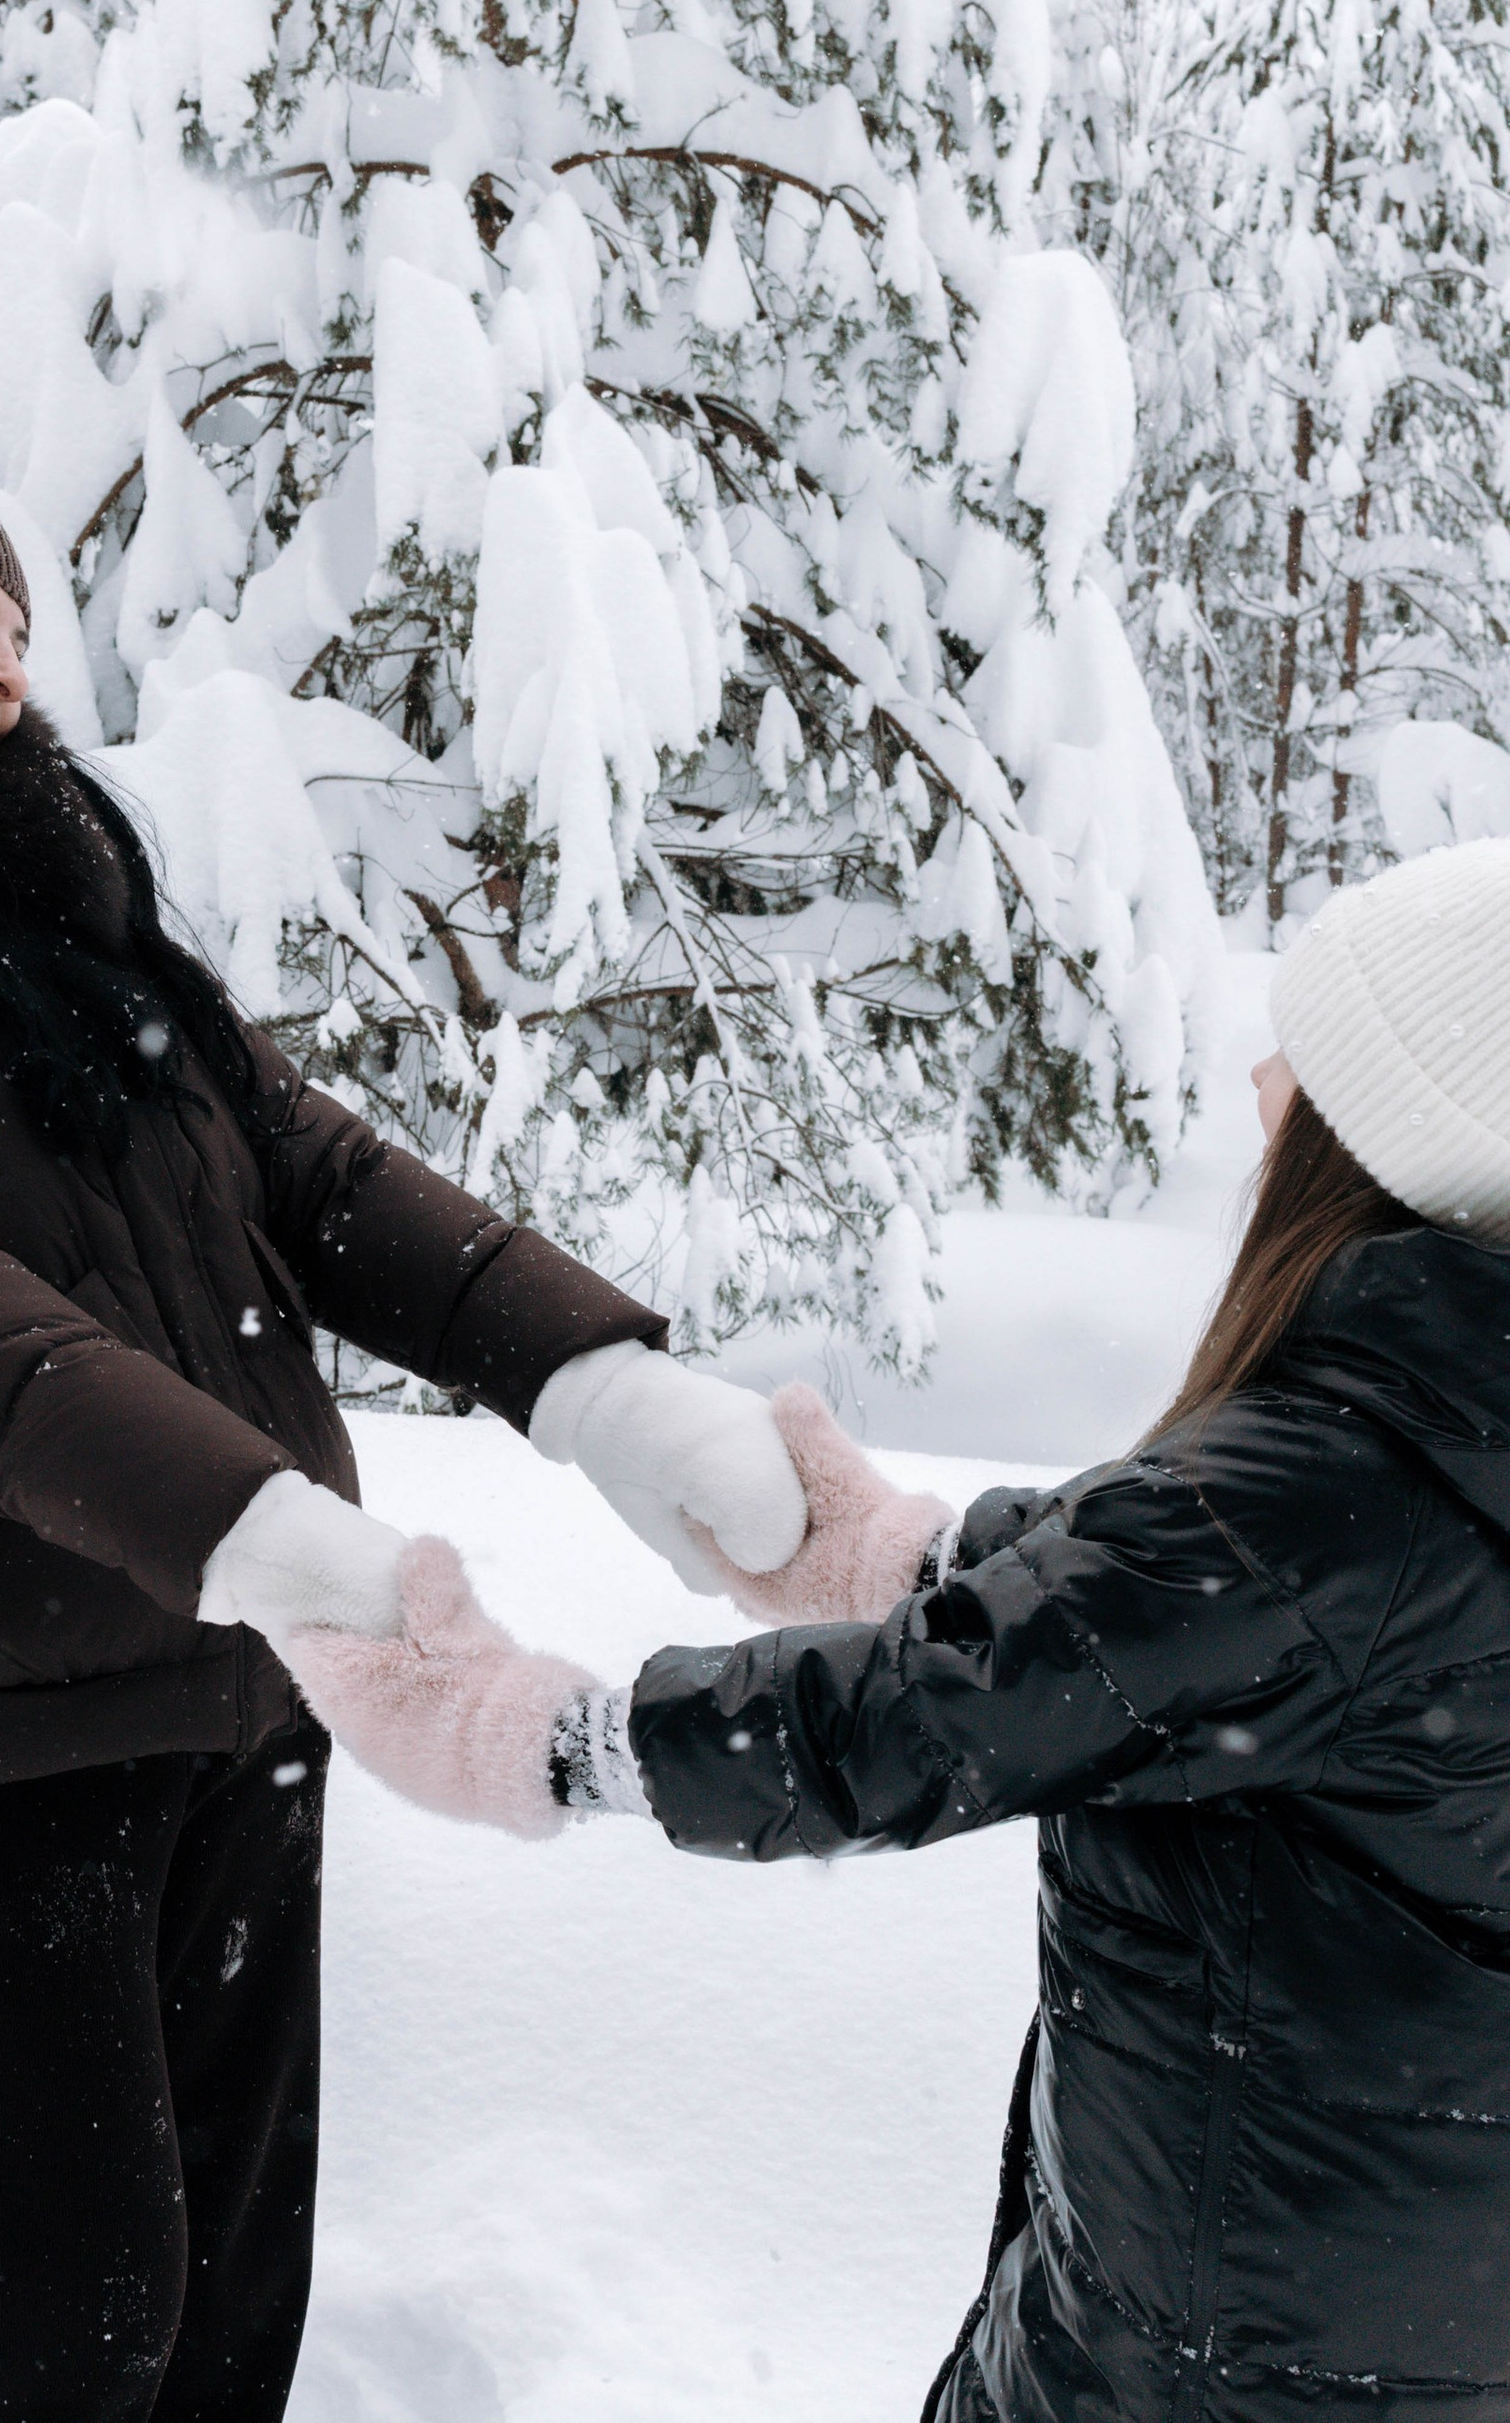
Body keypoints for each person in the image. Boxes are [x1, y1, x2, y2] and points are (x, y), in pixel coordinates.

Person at [0, 420, 823, 2422]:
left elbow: (320, 1181)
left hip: (225, 1689)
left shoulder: (51, 940)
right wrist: (255, 1520)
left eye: (19, 626)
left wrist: (598, 1380)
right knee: (61, 2331)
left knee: (220, 2324)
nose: (4, 662)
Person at [289, 836, 1510, 2421]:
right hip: (1406, 2314)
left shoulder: (1319, 1491)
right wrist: (907, 1555)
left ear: (1390, 1141)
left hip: (1217, 2350)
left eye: (1311, 1052)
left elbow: (916, 1719)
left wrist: (537, 1739)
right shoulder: (1446, 1445)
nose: (1260, 1076)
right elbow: (1202, 1628)